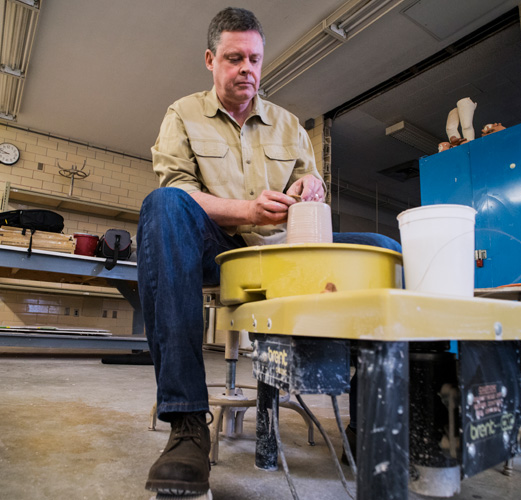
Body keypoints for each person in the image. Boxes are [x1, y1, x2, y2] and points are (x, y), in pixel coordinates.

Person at [137, 7, 399, 496]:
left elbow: (312, 181)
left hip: (283, 252)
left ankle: (371, 423)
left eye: (254, 59)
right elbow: (179, 189)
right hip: (216, 246)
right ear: (211, 60)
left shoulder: (288, 124)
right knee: (162, 205)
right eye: (234, 58)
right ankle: (187, 426)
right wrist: (248, 211)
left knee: (382, 249)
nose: (247, 70)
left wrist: (310, 187)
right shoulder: (183, 114)